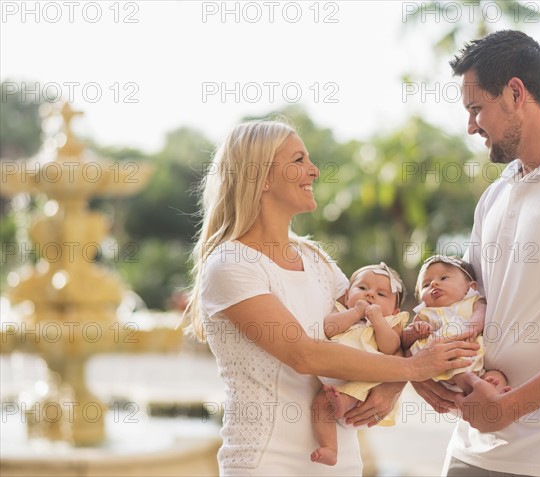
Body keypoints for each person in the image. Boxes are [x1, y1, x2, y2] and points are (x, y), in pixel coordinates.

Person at [184, 119, 480, 476]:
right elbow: (304, 354)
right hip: (266, 463)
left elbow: (383, 322)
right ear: (261, 177)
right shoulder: (231, 264)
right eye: (298, 161)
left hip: (342, 464)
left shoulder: (316, 261)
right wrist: (412, 369)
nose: (314, 170)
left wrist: (394, 384)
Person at [412, 30, 540, 477]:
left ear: (515, 92)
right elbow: (468, 303)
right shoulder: (495, 195)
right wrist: (419, 370)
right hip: (469, 449)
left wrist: (511, 408)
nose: (471, 126)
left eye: (477, 109)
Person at [310, 262, 431, 466]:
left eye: (381, 294)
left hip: (368, 380)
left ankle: (343, 405)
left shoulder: (391, 322)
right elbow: (328, 329)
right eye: (362, 288)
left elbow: (390, 348)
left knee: (340, 397)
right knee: (319, 405)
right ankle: (329, 447)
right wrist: (355, 313)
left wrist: (378, 320)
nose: (370, 295)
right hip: (335, 377)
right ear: (347, 295)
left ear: (394, 309)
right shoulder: (341, 312)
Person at [409, 255, 508, 393]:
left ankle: (496, 393)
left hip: (476, 360)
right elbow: (406, 339)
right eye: (426, 285)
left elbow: (481, 312)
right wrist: (416, 330)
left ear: (470, 287)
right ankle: (476, 389)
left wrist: (472, 326)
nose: (433, 284)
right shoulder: (426, 313)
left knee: (497, 376)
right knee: (460, 370)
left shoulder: (473, 301)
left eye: (444, 278)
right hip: (446, 369)